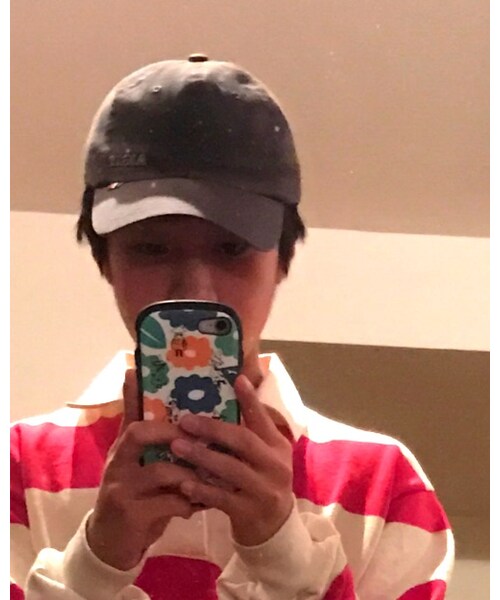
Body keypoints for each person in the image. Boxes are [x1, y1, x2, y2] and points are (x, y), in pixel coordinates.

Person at [10, 54, 454, 599]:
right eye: (151, 248)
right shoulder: (17, 468)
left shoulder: (384, 483)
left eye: (231, 248)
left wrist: (288, 560)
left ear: (282, 261)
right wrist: (93, 567)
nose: (195, 289)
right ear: (106, 262)